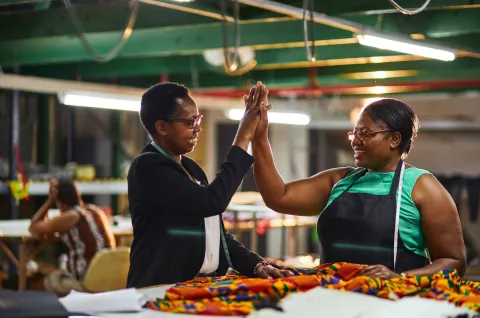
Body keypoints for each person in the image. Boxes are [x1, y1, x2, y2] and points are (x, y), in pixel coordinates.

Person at [253, 97, 467, 278]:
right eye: (355, 133)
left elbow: (454, 261)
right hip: (330, 297)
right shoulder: (339, 180)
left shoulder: (422, 186)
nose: (356, 142)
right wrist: (259, 136)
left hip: (392, 303)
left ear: (394, 139)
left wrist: (401, 278)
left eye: (366, 134)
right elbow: (277, 196)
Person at [126, 81, 292, 288]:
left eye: (198, 119)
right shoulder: (148, 167)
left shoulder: (191, 169)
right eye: (189, 122)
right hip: (160, 289)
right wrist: (243, 137)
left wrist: (256, 265)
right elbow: (212, 202)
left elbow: (216, 233)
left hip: (197, 285)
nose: (198, 128)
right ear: (162, 127)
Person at [29, 179, 116, 294]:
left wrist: (49, 201)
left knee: (37, 284)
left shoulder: (71, 216)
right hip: (110, 275)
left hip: (85, 279)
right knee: (57, 272)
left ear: (59, 201)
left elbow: (33, 227)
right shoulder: (95, 210)